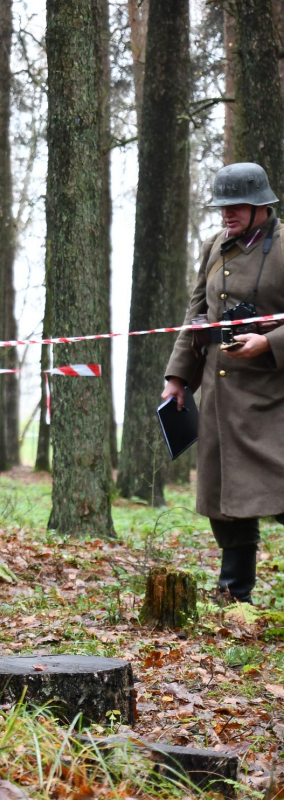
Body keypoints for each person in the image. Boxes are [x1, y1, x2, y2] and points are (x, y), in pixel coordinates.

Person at [163, 162, 284, 605]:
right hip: (218, 392)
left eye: (237, 206)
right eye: (222, 205)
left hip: (273, 395)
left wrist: (268, 342)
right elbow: (197, 314)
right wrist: (178, 378)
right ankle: (235, 593)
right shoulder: (215, 246)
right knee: (223, 496)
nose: (227, 213)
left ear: (261, 206)